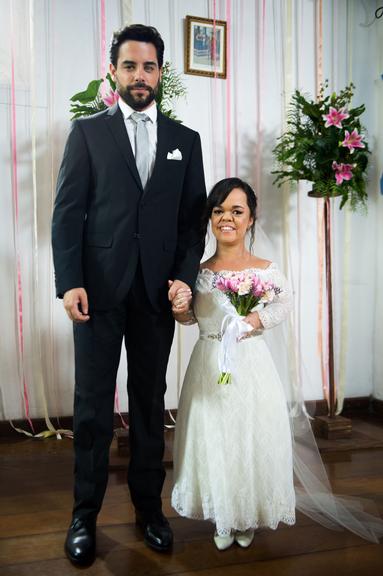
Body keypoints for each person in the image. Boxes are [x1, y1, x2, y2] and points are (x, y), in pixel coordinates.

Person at [51, 24, 206, 566]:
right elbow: (67, 213)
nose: (140, 76)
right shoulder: (87, 132)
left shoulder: (187, 142)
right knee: (92, 408)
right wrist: (68, 281)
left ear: (161, 72)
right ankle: (83, 516)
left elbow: (192, 226)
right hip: (96, 291)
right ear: (114, 71)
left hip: (155, 295)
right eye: (130, 66)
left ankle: (149, 510)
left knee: (147, 405)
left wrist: (184, 279)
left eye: (150, 67)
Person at [171, 177, 383, 550]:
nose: (226, 219)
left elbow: (283, 303)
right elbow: (190, 318)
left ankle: (247, 515)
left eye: (236, 211)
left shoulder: (264, 270)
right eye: (219, 211)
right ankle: (223, 514)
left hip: (252, 364)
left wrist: (252, 321)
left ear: (251, 218)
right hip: (209, 364)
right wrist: (180, 310)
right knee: (215, 438)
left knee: (250, 438)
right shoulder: (199, 270)